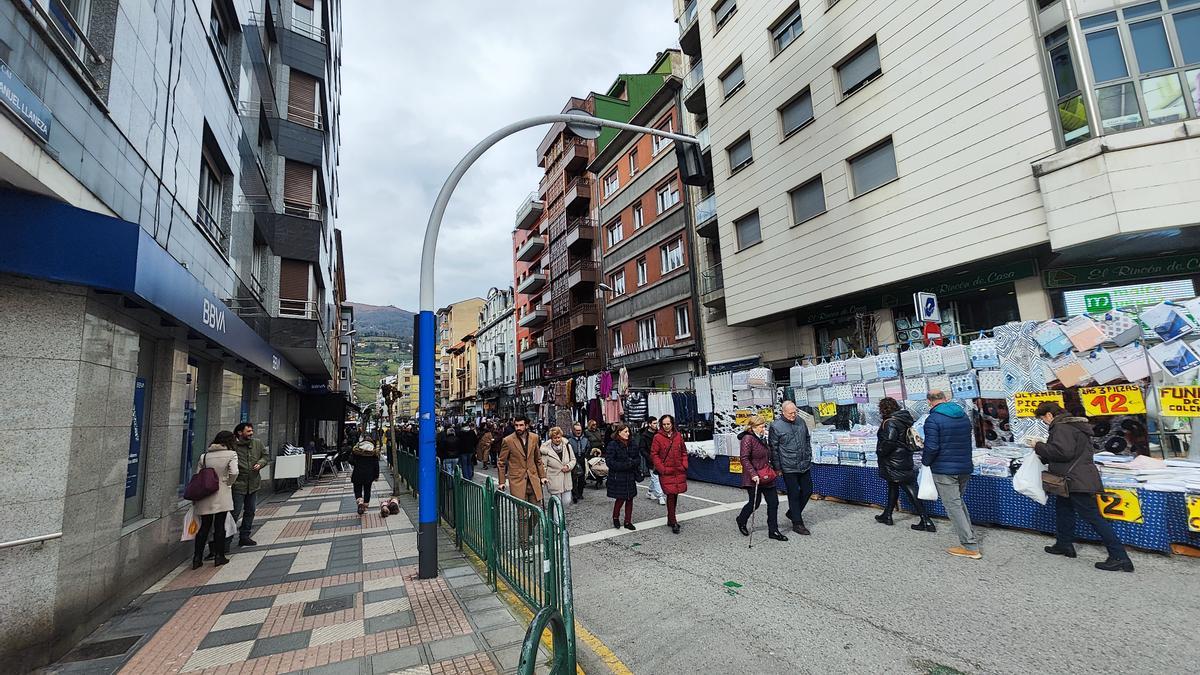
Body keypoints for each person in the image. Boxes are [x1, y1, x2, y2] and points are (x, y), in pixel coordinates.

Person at [1029, 402, 1134, 572]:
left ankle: (1119, 556)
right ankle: (1064, 544)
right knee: (1063, 510)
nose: (1044, 422)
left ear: (1049, 415)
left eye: (1043, 419)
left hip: (1075, 480)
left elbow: (1063, 452)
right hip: (1074, 478)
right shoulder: (1074, 424)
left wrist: (1038, 446)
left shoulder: (1061, 427)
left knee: (1094, 517)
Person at [922, 389, 980, 559]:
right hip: (964, 465)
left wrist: (926, 462)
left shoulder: (933, 419)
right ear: (945, 399)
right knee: (958, 502)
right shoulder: (962, 416)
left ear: (929, 401)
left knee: (953, 505)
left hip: (944, 468)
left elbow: (932, 447)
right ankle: (970, 538)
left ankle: (970, 546)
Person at [875, 397, 935, 532]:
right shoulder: (903, 419)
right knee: (893, 485)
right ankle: (887, 515)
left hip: (893, 460)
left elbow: (889, 441)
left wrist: (880, 451)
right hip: (903, 457)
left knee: (908, 487)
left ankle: (926, 520)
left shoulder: (890, 422)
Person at [735, 416, 788, 541]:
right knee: (755, 503)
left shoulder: (763, 438)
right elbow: (744, 458)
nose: (763, 428)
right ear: (753, 427)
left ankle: (773, 530)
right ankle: (741, 520)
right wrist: (753, 474)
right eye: (761, 426)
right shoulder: (747, 439)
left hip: (766, 474)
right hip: (753, 477)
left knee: (773, 502)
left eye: (764, 426)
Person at [499, 416, 548, 548]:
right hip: (517, 482)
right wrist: (502, 481)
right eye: (516, 425)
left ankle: (528, 533)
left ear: (527, 425)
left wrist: (542, 476)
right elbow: (501, 462)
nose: (519, 428)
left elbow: (538, 459)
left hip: (533, 481)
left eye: (521, 425)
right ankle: (524, 545)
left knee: (538, 512)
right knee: (523, 516)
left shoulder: (534, 437)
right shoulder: (508, 440)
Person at [193, 431, 239, 569]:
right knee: (219, 526)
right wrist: (227, 483)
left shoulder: (205, 456)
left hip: (205, 493)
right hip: (221, 494)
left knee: (204, 527)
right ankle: (219, 556)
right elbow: (234, 472)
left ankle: (197, 558)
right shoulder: (231, 454)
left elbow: (197, 475)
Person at [769, 401, 814, 535]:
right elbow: (774, 449)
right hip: (788, 465)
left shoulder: (800, 421)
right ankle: (797, 523)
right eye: (791, 413)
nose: (794, 415)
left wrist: (808, 454)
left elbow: (807, 438)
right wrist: (777, 468)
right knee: (793, 493)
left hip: (803, 463)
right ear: (783, 412)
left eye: (795, 412)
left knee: (808, 490)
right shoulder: (776, 426)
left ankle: (793, 513)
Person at [230, 422, 269, 548]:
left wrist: (261, 463)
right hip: (238, 485)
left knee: (250, 510)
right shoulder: (233, 446)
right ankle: (226, 539)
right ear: (240, 433)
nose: (251, 433)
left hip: (253, 484)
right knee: (234, 513)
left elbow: (265, 456)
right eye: (248, 431)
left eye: (252, 431)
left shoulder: (257, 443)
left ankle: (244, 536)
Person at [651, 415, 688, 534]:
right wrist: (662, 468)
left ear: (672, 424)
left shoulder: (678, 436)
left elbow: (683, 451)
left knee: (675, 494)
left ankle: (670, 518)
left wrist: (684, 464)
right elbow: (654, 454)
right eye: (664, 424)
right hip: (667, 471)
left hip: (678, 470)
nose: (666, 426)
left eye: (668, 424)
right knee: (671, 495)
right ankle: (673, 520)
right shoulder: (657, 437)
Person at [605, 423, 640, 530]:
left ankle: (627, 521)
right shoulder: (612, 444)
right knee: (620, 499)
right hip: (618, 476)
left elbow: (638, 459)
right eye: (625, 431)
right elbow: (610, 462)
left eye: (628, 431)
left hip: (630, 475)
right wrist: (625, 465)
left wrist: (632, 463)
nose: (628, 434)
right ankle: (616, 518)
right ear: (619, 432)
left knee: (630, 498)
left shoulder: (632, 443)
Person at [540, 426, 577, 510]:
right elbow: (543, 466)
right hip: (553, 479)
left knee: (567, 501)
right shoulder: (546, 450)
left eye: (558, 437)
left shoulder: (567, 446)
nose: (557, 439)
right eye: (555, 438)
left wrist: (568, 466)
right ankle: (557, 522)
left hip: (566, 479)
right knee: (557, 503)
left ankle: (558, 517)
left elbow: (573, 460)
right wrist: (543, 477)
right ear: (551, 438)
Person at [349, 440, 381, 514]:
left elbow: (350, 461)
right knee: (367, 490)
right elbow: (376, 466)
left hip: (357, 474)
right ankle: (366, 506)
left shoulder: (357, 451)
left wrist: (354, 457)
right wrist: (376, 476)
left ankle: (360, 501)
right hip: (369, 475)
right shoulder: (373, 453)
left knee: (357, 489)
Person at [640, 419, 665, 505]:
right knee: (656, 477)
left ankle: (650, 492)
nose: (656, 425)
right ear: (649, 424)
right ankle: (660, 496)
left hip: (660, 458)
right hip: (651, 460)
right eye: (654, 423)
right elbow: (642, 449)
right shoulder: (644, 436)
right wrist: (649, 457)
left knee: (655, 477)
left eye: (656, 423)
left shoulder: (659, 433)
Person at [567, 423, 588, 502]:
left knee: (582, 478)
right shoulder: (569, 440)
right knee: (574, 478)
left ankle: (580, 493)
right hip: (573, 459)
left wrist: (586, 455)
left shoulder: (585, 439)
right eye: (577, 430)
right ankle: (575, 495)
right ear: (573, 430)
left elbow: (588, 448)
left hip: (582, 458)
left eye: (580, 430)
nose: (578, 432)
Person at [585, 419, 606, 489]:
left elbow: (600, 439)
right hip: (592, 450)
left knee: (600, 463)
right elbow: (588, 442)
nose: (595, 426)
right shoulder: (587, 432)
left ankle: (600, 477)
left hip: (599, 449)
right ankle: (594, 476)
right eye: (593, 424)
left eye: (595, 424)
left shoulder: (598, 431)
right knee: (593, 463)